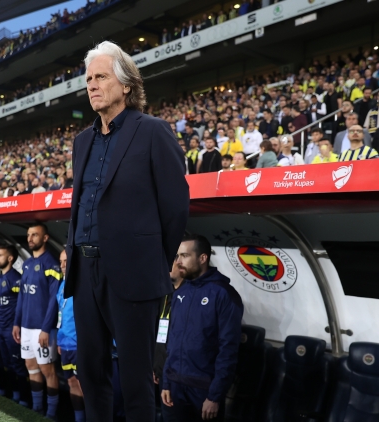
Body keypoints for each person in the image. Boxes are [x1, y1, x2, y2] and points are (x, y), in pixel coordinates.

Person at [65, 41, 189, 422]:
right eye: (89, 79)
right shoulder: (82, 141)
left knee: (137, 382)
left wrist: (152, 263)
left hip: (134, 275)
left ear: (126, 84)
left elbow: (175, 207)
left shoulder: (153, 131)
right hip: (85, 274)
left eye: (101, 76)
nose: (92, 85)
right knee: (91, 375)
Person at [161, 234, 243, 421]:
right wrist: (166, 382)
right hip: (174, 386)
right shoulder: (180, 292)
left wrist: (215, 396)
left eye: (184, 256)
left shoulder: (224, 294)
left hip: (204, 390)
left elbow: (228, 349)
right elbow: (172, 341)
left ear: (203, 258)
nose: (178, 261)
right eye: (177, 256)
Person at [13, 224, 62, 417]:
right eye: (28, 235)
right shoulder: (26, 264)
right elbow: (22, 296)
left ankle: (52, 412)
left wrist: (46, 328)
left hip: (42, 329)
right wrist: (17, 322)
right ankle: (37, 408)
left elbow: (54, 300)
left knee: (48, 370)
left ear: (45, 238)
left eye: (35, 235)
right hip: (26, 327)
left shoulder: (51, 264)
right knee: (31, 368)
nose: (30, 238)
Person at [0, 244, 30, 407]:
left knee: (18, 366)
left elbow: (23, 304)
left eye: (0, 255)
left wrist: (18, 325)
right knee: (7, 364)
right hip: (1, 329)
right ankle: (14, 395)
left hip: (12, 330)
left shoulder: (16, 279)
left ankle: (25, 400)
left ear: (10, 258)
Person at [153, 261, 185, 422]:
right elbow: (158, 332)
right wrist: (156, 366)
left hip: (178, 374)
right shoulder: (165, 293)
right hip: (162, 372)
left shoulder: (188, 296)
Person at [57, 249, 86, 422]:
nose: (63, 265)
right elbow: (61, 315)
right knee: (71, 383)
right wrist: (59, 340)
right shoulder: (62, 284)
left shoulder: (82, 284)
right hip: (65, 344)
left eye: (66, 261)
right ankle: (78, 418)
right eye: (61, 261)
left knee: (84, 386)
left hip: (79, 345)